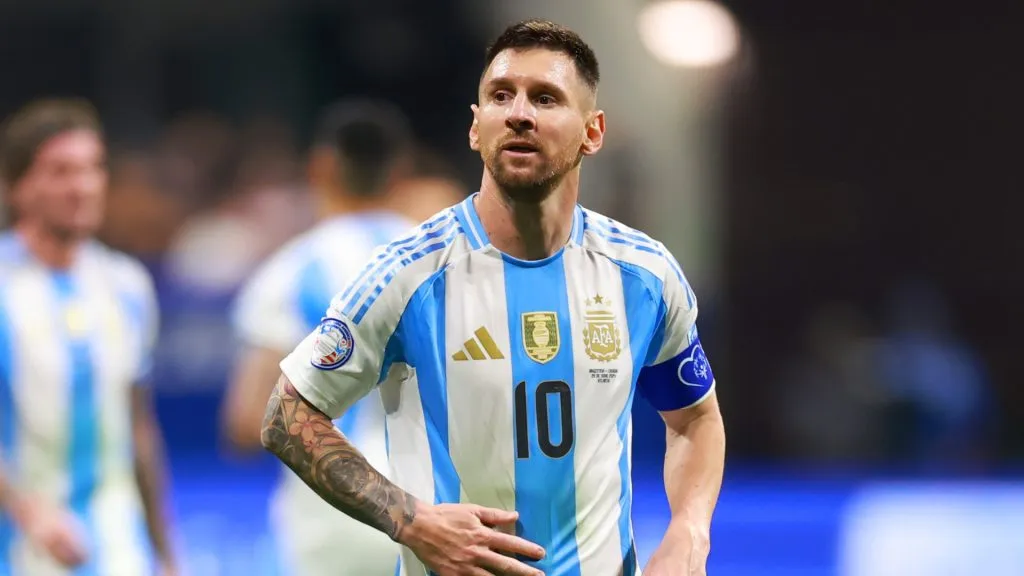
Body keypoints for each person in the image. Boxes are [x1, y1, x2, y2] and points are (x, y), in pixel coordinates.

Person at [260, 19, 726, 576]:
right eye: (500, 96)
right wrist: (410, 520)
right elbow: (286, 414)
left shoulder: (644, 276)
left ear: (592, 132)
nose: (519, 113)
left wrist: (689, 531)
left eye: (546, 98)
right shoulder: (407, 276)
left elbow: (695, 420)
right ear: (476, 128)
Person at [221, 99, 416, 575]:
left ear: (321, 167)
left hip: (330, 521)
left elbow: (248, 423)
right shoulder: (444, 264)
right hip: (432, 513)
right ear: (400, 172)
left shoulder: (288, 272)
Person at [0, 99, 177, 575]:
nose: (81, 186)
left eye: (91, 169)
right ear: (16, 187)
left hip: (116, 551)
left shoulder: (126, 285)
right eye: (59, 171)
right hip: (16, 550)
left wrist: (166, 556)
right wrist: (29, 513)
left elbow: (138, 427)